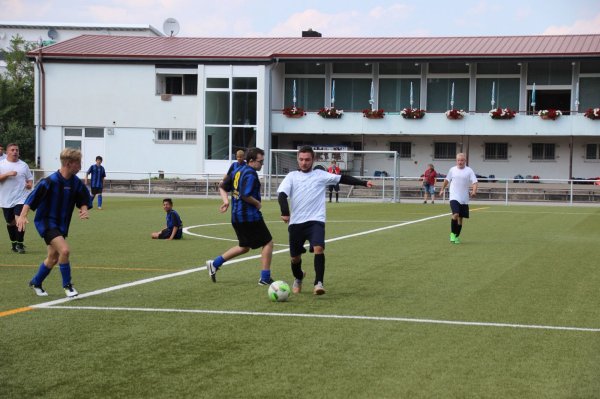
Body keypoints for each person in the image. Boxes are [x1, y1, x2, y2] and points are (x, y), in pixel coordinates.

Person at [277, 145, 373, 295]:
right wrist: (284, 212)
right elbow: (282, 195)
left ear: (313, 160)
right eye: (301, 159)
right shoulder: (291, 177)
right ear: (297, 159)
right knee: (295, 258)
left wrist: (363, 182)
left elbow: (343, 178)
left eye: (307, 159)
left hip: (316, 220)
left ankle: (318, 283)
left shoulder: (320, 175)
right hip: (296, 223)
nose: (304, 163)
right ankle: (299, 277)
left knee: (319, 248)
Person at [16, 148, 93, 297]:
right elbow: (32, 199)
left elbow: (83, 198)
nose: (80, 167)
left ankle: (36, 282)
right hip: (46, 222)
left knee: (53, 258)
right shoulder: (49, 181)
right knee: (64, 251)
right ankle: (68, 286)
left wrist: (84, 209)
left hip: (61, 225)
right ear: (69, 164)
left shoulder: (76, 182)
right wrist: (22, 215)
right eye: (78, 163)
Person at [206, 147, 275, 285]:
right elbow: (245, 195)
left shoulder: (237, 170)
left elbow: (222, 186)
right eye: (260, 161)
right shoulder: (250, 174)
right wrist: (257, 204)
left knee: (244, 246)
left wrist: (226, 201)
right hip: (249, 216)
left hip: (236, 217)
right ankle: (265, 278)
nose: (262, 164)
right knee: (268, 242)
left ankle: (214, 263)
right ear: (251, 161)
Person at [0, 143, 34, 253]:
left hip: (21, 198)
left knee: (20, 219)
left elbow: (29, 179)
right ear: (7, 152)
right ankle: (14, 243)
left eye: (17, 150)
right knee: (11, 223)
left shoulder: (23, 165)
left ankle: (20, 244)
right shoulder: (2, 164)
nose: (15, 152)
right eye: (12, 150)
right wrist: (7, 174)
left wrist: (29, 185)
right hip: (6, 199)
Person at [438, 153, 478, 244]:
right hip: (454, 196)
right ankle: (452, 234)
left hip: (464, 198)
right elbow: (446, 180)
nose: (460, 162)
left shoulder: (469, 170)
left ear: (465, 161)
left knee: (460, 219)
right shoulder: (452, 170)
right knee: (455, 214)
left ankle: (456, 236)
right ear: (456, 161)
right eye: (458, 160)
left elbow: (475, 182)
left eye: (462, 160)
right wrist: (442, 189)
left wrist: (474, 191)